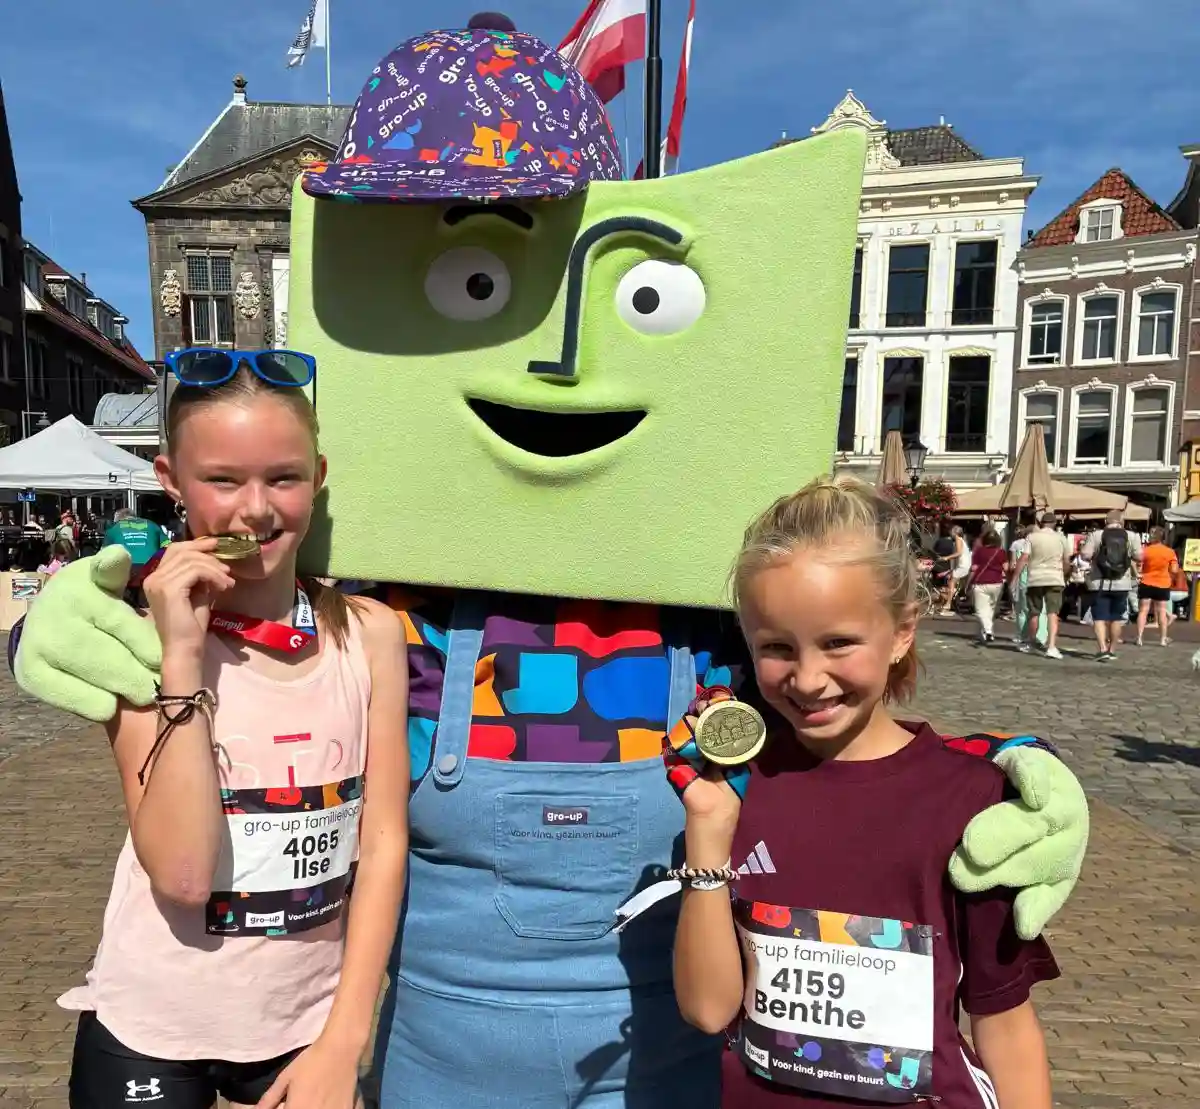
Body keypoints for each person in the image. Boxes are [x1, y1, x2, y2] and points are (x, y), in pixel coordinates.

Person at [9, 19, 1090, 1109]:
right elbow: (253, 643)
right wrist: (86, 609)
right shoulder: (386, 613)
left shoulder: (712, 619)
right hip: (433, 1053)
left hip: (656, 1061)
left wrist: (1004, 770)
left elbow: (839, 722)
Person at [61, 358, 410, 1109]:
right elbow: (183, 874)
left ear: (318, 475)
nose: (254, 510)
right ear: (171, 479)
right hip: (153, 1021)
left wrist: (346, 1038)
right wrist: (182, 656)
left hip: (304, 1024)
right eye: (221, 480)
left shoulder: (372, 634)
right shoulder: (127, 641)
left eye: (282, 477)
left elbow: (381, 844)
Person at [673, 477, 1057, 1108]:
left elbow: (1005, 1023)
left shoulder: (971, 799)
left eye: (838, 643)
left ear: (902, 631)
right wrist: (707, 843)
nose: (807, 678)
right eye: (775, 648)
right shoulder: (731, 791)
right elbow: (709, 1009)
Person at [1080, 509, 1142, 661]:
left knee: (1099, 617)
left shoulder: (1096, 535)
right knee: (1116, 618)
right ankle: (1112, 649)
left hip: (1099, 583)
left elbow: (1085, 555)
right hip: (1122, 583)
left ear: (1105, 521)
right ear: (1123, 521)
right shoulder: (1132, 536)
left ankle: (1102, 649)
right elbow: (1139, 557)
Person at [1013, 512, 1070, 660]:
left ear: (1040, 522)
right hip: (1054, 578)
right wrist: (1065, 575)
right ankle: (1051, 646)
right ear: (1055, 523)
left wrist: (1014, 578)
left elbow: (1024, 558)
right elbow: (1066, 561)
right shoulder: (1061, 538)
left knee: (1034, 612)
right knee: (1052, 613)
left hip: (1035, 578)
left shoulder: (1031, 537)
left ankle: (1031, 642)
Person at [1135, 526, 1178, 647]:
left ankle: (1139, 637)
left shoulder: (1145, 550)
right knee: (1162, 612)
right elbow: (1174, 570)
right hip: (1163, 583)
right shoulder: (1170, 552)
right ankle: (1163, 639)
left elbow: (1139, 564)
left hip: (1146, 581)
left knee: (1143, 611)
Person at [965, 528, 1008, 643]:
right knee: (991, 609)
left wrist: (968, 583)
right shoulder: (1001, 552)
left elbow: (974, 569)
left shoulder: (979, 551)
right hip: (997, 583)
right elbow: (1006, 568)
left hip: (980, 582)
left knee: (980, 610)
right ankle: (986, 633)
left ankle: (988, 631)